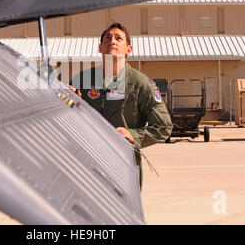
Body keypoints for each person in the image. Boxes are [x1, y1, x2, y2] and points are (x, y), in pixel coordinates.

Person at [69, 22, 172, 189]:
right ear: (100, 47)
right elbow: (68, 122)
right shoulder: (82, 80)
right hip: (87, 165)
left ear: (128, 50)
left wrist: (132, 135)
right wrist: (70, 104)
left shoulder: (142, 84)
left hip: (124, 168)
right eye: (108, 38)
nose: (112, 41)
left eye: (118, 38)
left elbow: (164, 127)